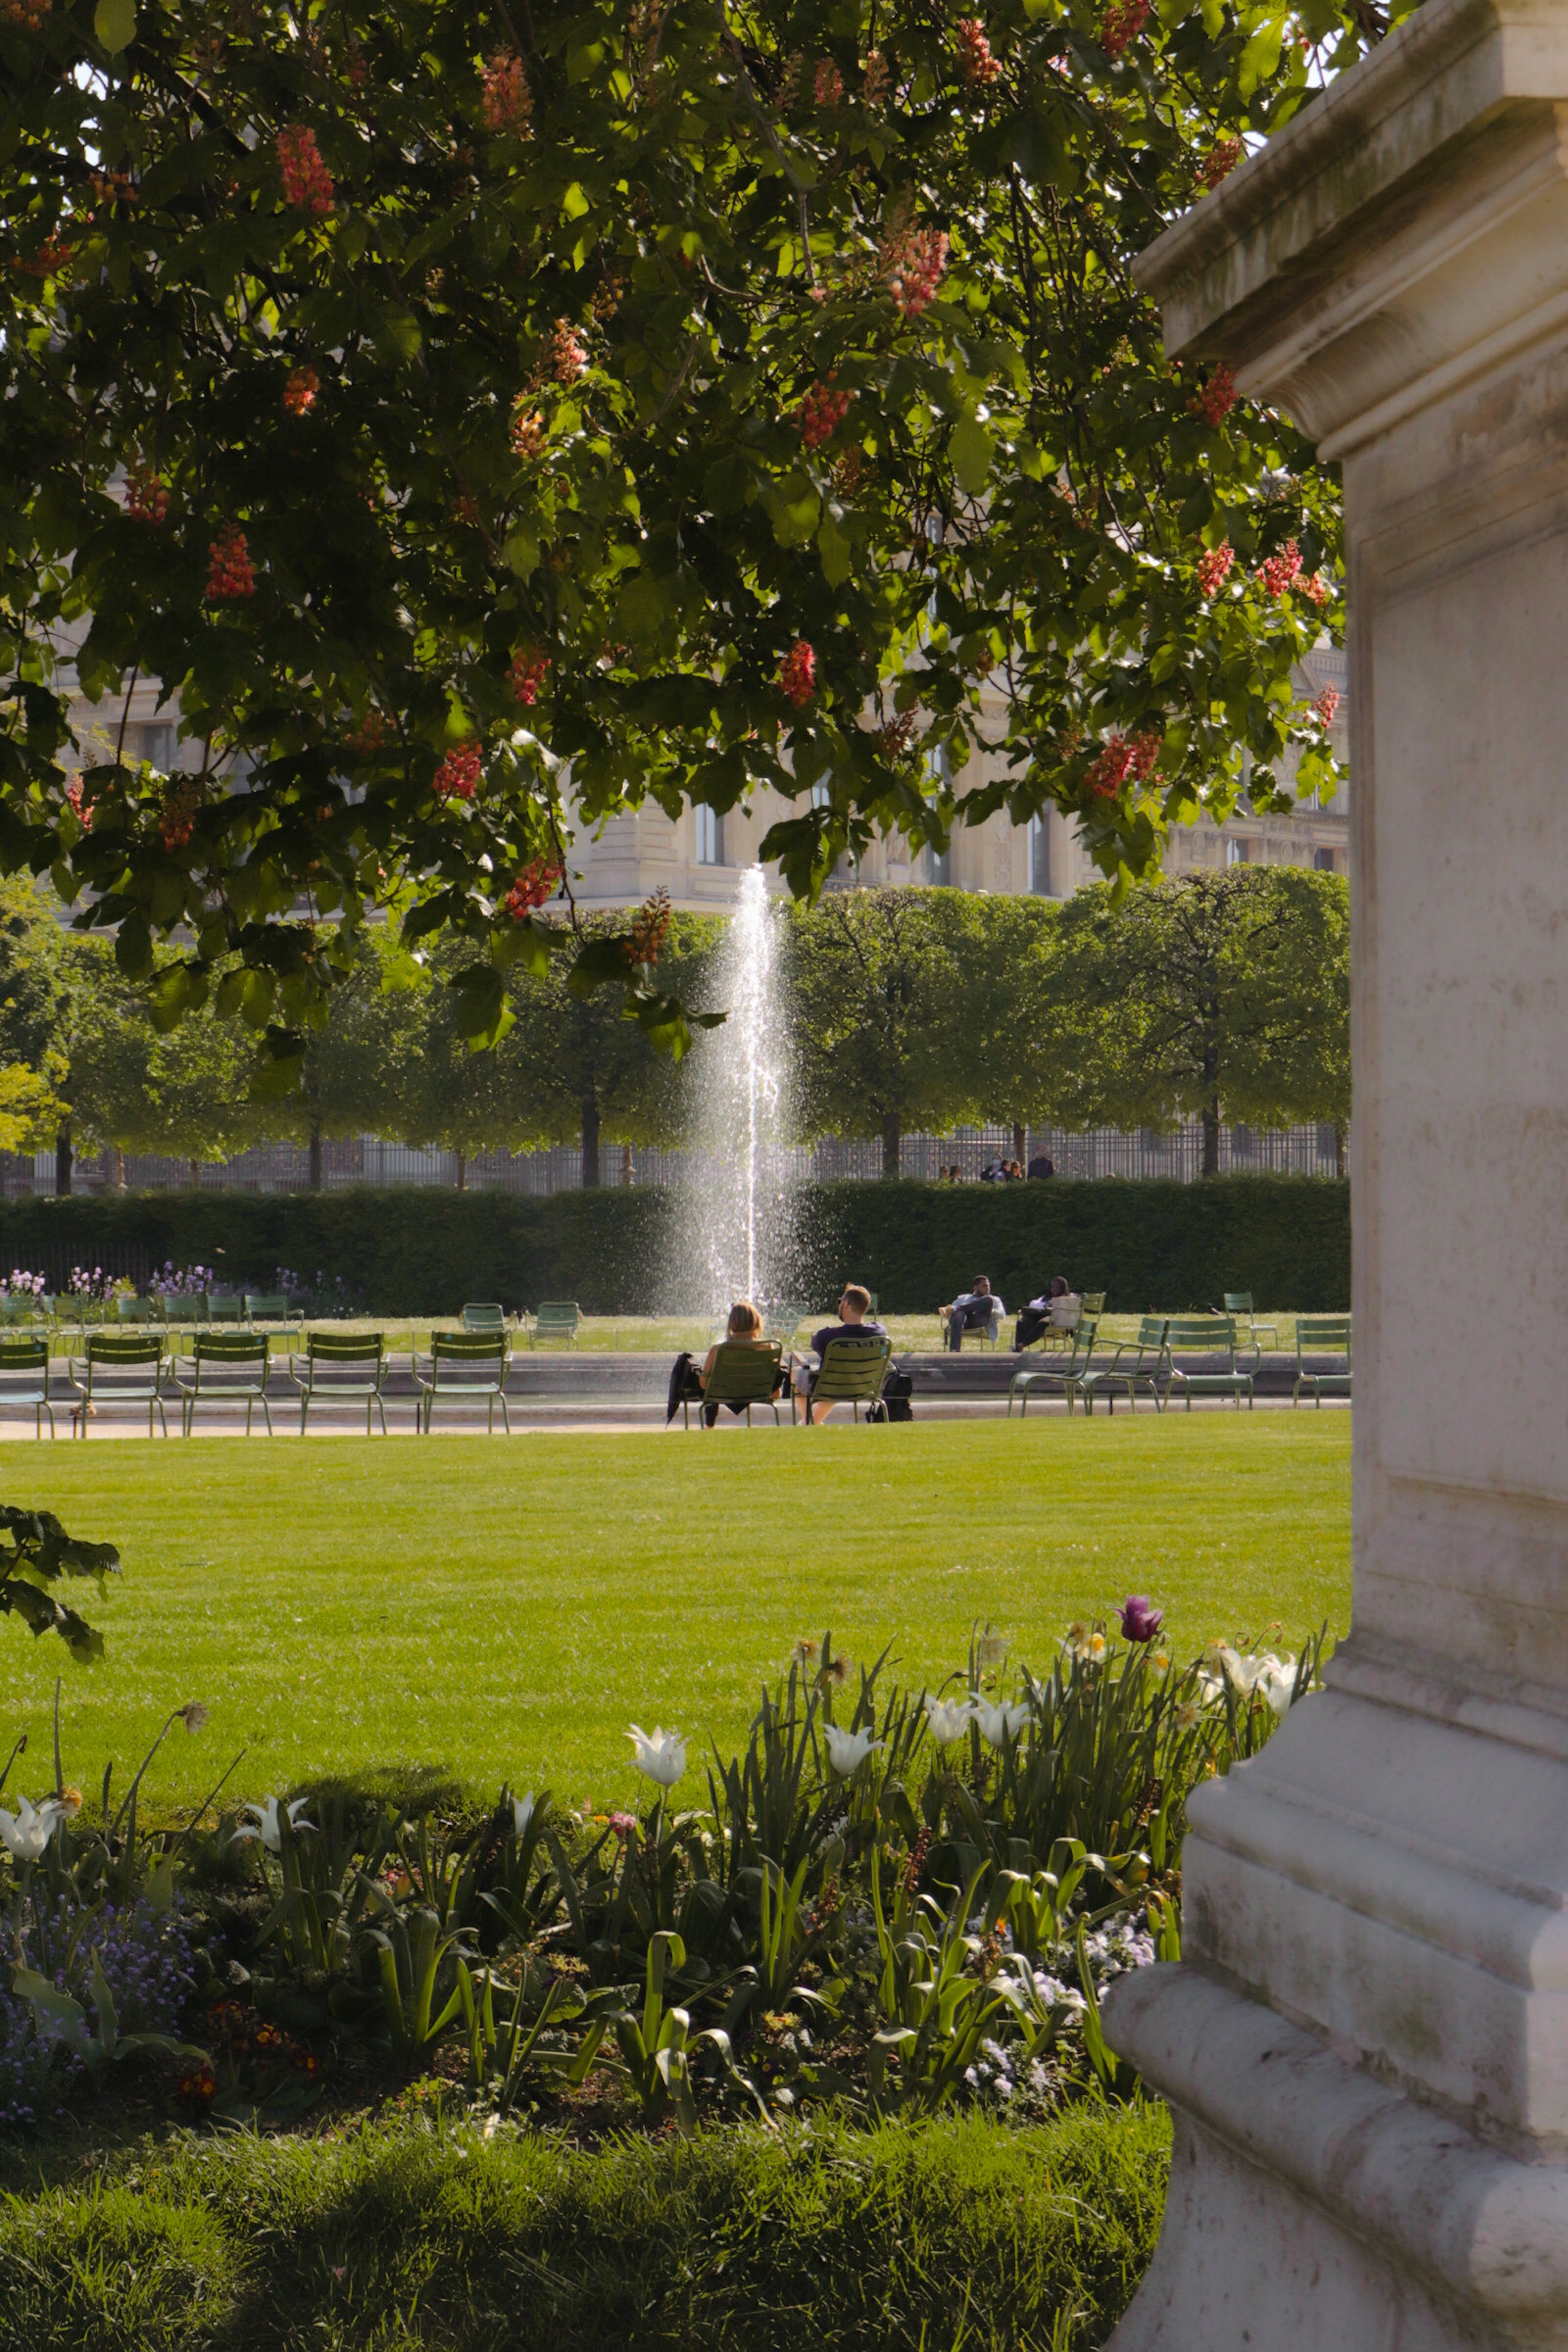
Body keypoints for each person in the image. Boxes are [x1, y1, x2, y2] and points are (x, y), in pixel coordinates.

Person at [665, 1300, 781, 1425]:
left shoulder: (718, 1350)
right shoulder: (768, 1347)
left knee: (698, 1373)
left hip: (721, 1392)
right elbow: (776, 1391)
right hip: (756, 1393)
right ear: (756, 1321)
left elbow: (704, 1385)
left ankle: (709, 1425)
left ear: (731, 1324)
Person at [795, 1283, 888, 1424]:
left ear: (846, 1305)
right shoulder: (880, 1333)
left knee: (796, 1373)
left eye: (841, 1301)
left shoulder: (828, 1337)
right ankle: (814, 1422)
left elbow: (816, 1345)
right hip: (864, 1388)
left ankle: (809, 1422)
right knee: (838, 1375)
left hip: (832, 1386)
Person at [1015, 1275, 1079, 1352]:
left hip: (1057, 1319)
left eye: (1057, 1287)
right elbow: (1035, 1303)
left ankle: (1022, 1345)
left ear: (1063, 1288)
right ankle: (1017, 1348)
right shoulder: (1047, 1298)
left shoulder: (1068, 1298)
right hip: (1041, 1315)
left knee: (1043, 1323)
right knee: (1022, 1322)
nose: (1054, 1289)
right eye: (1053, 1287)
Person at [941, 1275, 1004, 1351]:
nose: (988, 1288)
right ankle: (954, 1351)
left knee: (988, 1300)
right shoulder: (964, 1298)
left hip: (981, 1322)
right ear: (976, 1288)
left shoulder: (994, 1300)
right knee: (958, 1314)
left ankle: (957, 1308)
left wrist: (991, 1310)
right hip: (965, 1323)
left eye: (989, 1286)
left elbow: (1002, 1316)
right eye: (984, 1286)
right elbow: (949, 1314)